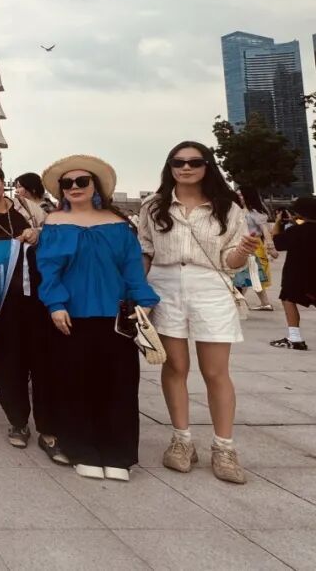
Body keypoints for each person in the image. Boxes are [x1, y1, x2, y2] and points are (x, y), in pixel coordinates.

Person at [139, 141, 254, 485]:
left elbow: (230, 261)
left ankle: (224, 446)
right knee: (175, 366)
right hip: (165, 284)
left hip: (209, 285)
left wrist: (244, 251)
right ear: (170, 166)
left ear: (207, 166)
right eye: (178, 162)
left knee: (215, 371)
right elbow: (146, 250)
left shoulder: (228, 207)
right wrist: (138, 293)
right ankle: (181, 440)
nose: (186, 167)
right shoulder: (154, 206)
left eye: (194, 162)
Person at [37, 154, 158, 482]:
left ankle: (118, 453)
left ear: (96, 186)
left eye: (82, 181)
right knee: (74, 383)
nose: (74, 187)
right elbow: (48, 270)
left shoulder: (119, 225)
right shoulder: (54, 223)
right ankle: (81, 448)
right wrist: (55, 304)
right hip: (70, 316)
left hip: (115, 315)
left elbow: (132, 268)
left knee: (119, 384)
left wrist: (144, 302)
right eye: (67, 183)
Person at [0, 161, 68, 464]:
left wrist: (38, 232)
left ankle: (49, 428)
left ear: (3, 182)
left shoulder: (30, 208)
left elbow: (58, 235)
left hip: (40, 299)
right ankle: (18, 422)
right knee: (7, 364)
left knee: (45, 364)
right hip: (1, 305)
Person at [271, 197, 316, 350]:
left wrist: (278, 222)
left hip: (296, 274)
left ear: (300, 213)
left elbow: (277, 243)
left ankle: (295, 338)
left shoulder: (295, 231)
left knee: (288, 299)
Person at [234, 186, 277, 311]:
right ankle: (262, 302)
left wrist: (271, 247)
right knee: (249, 275)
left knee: (248, 275)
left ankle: (239, 301)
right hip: (244, 245)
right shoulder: (240, 211)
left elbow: (265, 231)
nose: (239, 197)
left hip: (254, 246)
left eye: (241, 195)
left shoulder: (255, 213)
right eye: (238, 195)